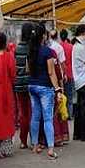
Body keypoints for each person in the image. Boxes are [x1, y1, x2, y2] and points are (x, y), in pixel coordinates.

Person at [27, 23, 62, 160]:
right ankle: (51, 149)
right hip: (45, 87)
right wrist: (57, 89)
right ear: (43, 36)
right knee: (48, 118)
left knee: (35, 116)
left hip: (32, 85)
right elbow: (51, 72)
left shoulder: (31, 51)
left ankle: (35, 145)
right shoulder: (47, 51)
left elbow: (28, 70)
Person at [14, 23, 33, 149]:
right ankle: (35, 139)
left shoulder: (17, 48)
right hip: (31, 83)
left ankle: (23, 141)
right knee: (32, 112)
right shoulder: (32, 48)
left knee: (23, 113)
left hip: (19, 83)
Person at [59, 29, 74, 123]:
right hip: (70, 73)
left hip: (61, 74)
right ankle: (69, 114)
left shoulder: (58, 47)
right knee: (70, 96)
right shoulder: (71, 47)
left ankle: (62, 113)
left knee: (61, 95)